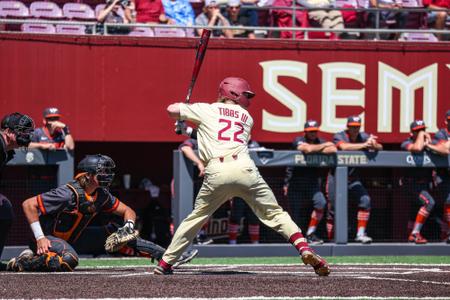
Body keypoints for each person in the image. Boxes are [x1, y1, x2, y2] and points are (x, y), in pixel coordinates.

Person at [155, 76, 330, 276]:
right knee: (275, 213)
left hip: (217, 170)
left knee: (196, 218)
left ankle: (165, 263)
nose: (249, 98)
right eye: (246, 94)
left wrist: (184, 111)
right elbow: (216, 133)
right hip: (245, 169)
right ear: (236, 93)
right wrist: (186, 129)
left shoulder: (207, 109)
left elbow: (171, 110)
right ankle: (304, 248)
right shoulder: (246, 117)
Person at [6, 154, 197, 272]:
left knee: (117, 233)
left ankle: (169, 257)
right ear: (88, 176)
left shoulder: (102, 195)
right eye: (102, 172)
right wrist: (40, 238)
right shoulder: (67, 193)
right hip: (49, 239)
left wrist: (128, 227)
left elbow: (127, 210)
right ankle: (24, 261)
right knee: (69, 260)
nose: (107, 175)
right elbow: (28, 204)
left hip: (76, 238)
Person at [327, 115, 383, 244]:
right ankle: (331, 238)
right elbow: (344, 147)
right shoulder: (340, 135)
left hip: (353, 178)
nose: (355, 130)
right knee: (333, 210)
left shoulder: (363, 136)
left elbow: (380, 147)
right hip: (336, 177)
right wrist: (364, 144)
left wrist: (373, 144)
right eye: (352, 127)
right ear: (348, 127)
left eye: (357, 127)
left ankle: (361, 234)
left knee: (365, 200)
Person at [283, 120, 336, 245]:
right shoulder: (298, 139)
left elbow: (333, 149)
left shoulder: (320, 141)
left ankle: (310, 234)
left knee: (321, 203)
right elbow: (305, 149)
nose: (312, 134)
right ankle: (295, 239)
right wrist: (322, 147)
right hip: (295, 182)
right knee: (295, 213)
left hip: (312, 182)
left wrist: (316, 148)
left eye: (314, 131)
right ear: (305, 132)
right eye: (310, 132)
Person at [0, 112, 34, 271]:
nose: (26, 135)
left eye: (27, 131)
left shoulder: (6, 150)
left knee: (5, 211)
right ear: (7, 131)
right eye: (21, 131)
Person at [400, 120, 443, 244]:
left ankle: (410, 235)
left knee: (415, 209)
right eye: (417, 130)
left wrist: (429, 145)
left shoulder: (429, 142)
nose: (421, 132)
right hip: (411, 183)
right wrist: (421, 136)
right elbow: (417, 148)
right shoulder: (406, 142)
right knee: (429, 202)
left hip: (425, 183)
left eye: (423, 129)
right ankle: (414, 233)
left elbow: (445, 151)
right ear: (411, 133)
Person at [179, 138, 213, 244]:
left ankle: (200, 236)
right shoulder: (194, 141)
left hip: (201, 182)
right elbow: (185, 148)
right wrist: (199, 163)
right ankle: (179, 240)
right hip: (183, 182)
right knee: (183, 212)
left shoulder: (214, 143)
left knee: (205, 210)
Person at [228, 140, 261, 244]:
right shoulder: (234, 144)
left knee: (254, 217)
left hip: (252, 186)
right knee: (235, 216)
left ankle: (255, 244)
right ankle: (232, 242)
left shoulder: (255, 144)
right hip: (238, 185)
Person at [432, 110, 450, 243]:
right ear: (446, 121)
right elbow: (444, 149)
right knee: (448, 201)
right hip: (444, 175)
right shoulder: (441, 133)